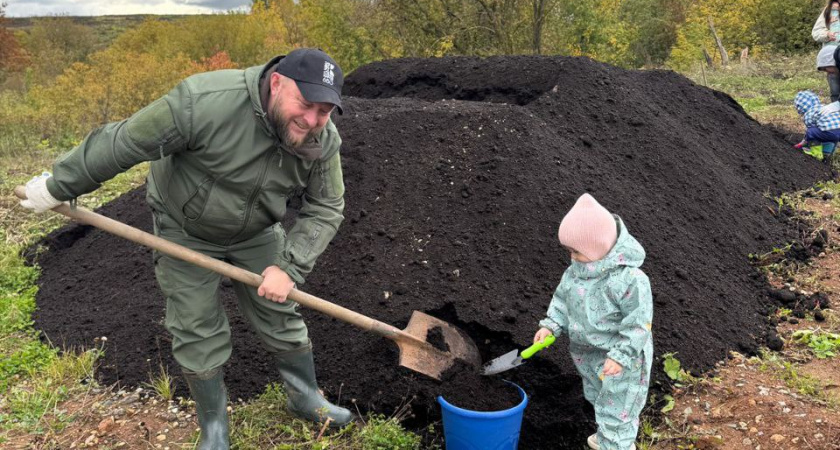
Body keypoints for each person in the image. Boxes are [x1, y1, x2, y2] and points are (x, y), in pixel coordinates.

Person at [19, 48, 353, 449]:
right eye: (306, 104)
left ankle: (305, 397)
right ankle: (214, 426)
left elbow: (326, 206)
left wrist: (289, 267)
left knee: (280, 314)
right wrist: (59, 185)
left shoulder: (322, 138)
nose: (313, 120)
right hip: (185, 228)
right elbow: (124, 142)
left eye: (325, 111)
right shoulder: (203, 103)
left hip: (257, 232)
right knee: (196, 325)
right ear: (278, 83)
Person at [533, 194, 653, 450]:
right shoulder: (575, 272)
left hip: (623, 360)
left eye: (577, 250)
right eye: (570, 251)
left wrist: (621, 355)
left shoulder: (630, 280)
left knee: (619, 409)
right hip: (590, 355)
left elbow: (638, 325)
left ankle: (617, 445)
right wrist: (550, 325)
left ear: (598, 246)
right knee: (601, 398)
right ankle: (608, 438)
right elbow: (562, 302)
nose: (572, 256)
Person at [794, 90, 840, 161]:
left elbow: (811, 132)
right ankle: (826, 153)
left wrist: (804, 141)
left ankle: (816, 154)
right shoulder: (825, 107)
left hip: (832, 132)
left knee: (811, 131)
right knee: (826, 135)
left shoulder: (809, 114)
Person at [813, 0, 840, 101]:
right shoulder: (828, 11)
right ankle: (836, 106)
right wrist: (827, 34)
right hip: (831, 50)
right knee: (832, 70)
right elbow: (816, 32)